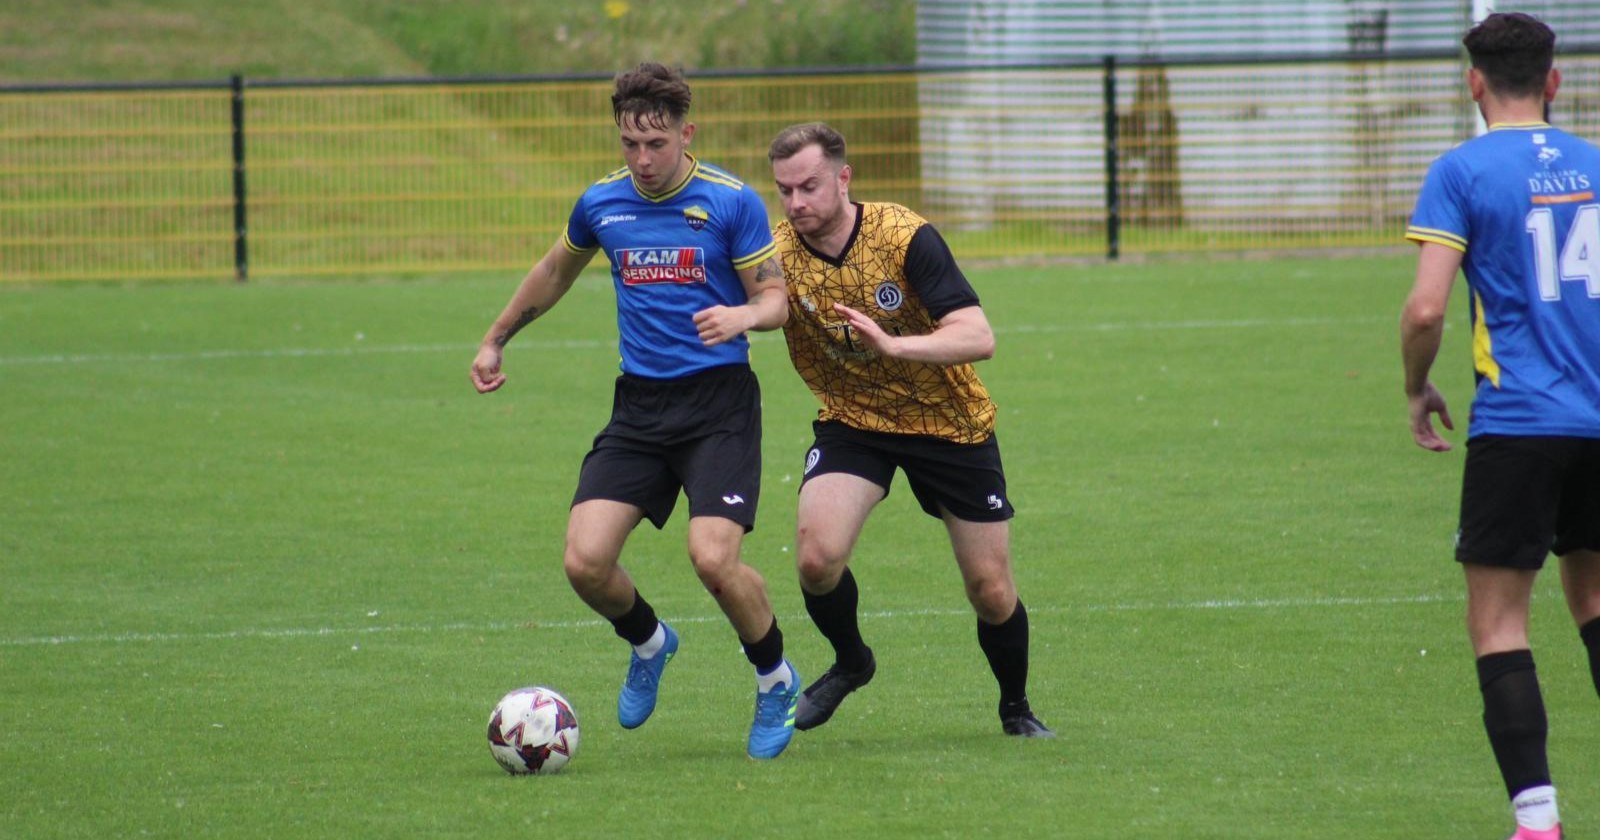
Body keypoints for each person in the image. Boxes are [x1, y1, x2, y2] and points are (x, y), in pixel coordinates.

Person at [470, 62, 801, 760]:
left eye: (655, 144)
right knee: (585, 563)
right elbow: (555, 270)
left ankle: (774, 679)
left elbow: (777, 298)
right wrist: (496, 338)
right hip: (641, 407)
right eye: (629, 144)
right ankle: (650, 642)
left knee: (712, 559)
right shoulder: (602, 204)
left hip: (718, 405)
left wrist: (742, 312)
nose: (643, 159)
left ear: (687, 133)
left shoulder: (730, 201)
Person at [766, 122, 1052, 738]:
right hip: (854, 421)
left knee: (990, 588)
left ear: (844, 178)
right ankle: (851, 661)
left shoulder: (903, 236)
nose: (796, 204)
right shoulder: (778, 253)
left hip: (948, 424)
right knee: (816, 558)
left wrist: (895, 348)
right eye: (784, 191)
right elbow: (757, 305)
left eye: (809, 186)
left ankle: (1015, 709)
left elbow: (979, 337)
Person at [1401, 13, 1600, 840]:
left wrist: (1416, 386)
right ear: (1554, 81)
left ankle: (1538, 820)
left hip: (1518, 420)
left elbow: (1424, 308)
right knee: (1593, 599)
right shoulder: (1595, 164)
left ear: (1474, 82)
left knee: (1498, 622)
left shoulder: (1461, 170)